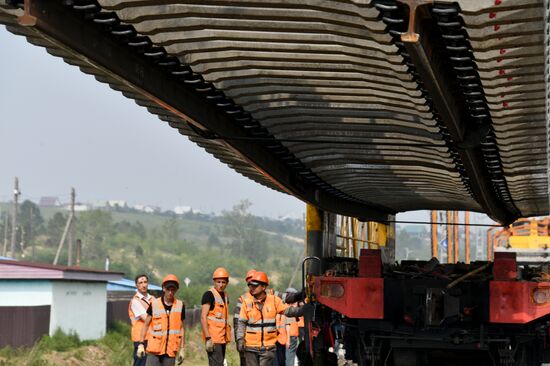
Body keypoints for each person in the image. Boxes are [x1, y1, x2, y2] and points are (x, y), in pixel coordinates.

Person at [236, 272, 305, 366]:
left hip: (268, 348)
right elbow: (241, 323)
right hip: (250, 348)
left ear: (264, 287)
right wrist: (240, 339)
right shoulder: (246, 302)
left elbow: (288, 311)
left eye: (255, 286)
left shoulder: (274, 300)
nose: (251, 288)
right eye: (250, 285)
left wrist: (304, 310)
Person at [137, 274, 185, 366]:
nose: (170, 292)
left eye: (173, 289)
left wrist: (182, 348)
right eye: (168, 289)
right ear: (163, 288)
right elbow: (146, 324)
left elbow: (182, 328)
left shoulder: (180, 305)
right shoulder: (154, 304)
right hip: (154, 350)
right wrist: (141, 344)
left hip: (170, 351)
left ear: (176, 290)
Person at [201, 267, 231, 366]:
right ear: (214, 281)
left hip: (222, 339)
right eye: (218, 282)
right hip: (213, 339)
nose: (221, 285)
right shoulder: (209, 295)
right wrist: (208, 338)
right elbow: (203, 317)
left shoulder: (225, 296)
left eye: (223, 282)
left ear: (227, 282)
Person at [233, 269, 256, 366]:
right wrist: (239, 340)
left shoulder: (267, 296)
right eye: (249, 282)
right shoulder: (242, 299)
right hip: (247, 342)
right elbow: (237, 322)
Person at [129, 274, 153, 366]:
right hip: (140, 340)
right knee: (140, 364)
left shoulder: (153, 299)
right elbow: (146, 318)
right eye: (140, 283)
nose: (143, 285)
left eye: (145, 282)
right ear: (136, 285)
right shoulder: (135, 301)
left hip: (152, 338)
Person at [283, 288, 302, 366]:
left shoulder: (284, 306)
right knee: (290, 355)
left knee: (287, 355)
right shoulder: (289, 308)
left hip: (287, 335)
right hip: (291, 334)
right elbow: (287, 324)